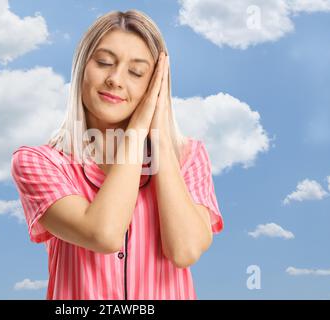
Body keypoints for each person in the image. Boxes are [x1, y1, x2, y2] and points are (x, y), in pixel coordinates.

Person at [11, 9, 223, 300]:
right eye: (104, 63)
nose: (115, 79)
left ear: (155, 87)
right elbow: (103, 234)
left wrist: (159, 138)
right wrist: (136, 131)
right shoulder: (38, 162)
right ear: (81, 67)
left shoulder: (190, 157)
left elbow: (185, 251)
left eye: (136, 72)